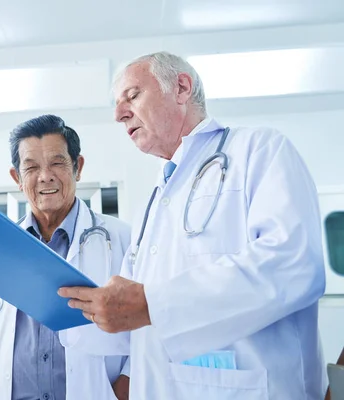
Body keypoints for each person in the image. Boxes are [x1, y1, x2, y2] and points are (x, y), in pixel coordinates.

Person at [58, 51, 327, 399]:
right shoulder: (155, 199)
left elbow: (294, 266)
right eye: (118, 103)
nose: (118, 113)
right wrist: (83, 309)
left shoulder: (260, 150)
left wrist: (153, 303)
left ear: (182, 88)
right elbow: (134, 317)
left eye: (132, 95)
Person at [0, 114, 132, 400]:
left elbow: (145, 326)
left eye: (57, 163)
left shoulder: (123, 240)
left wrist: (124, 389)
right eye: (31, 167)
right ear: (17, 178)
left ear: (78, 168)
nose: (45, 176)